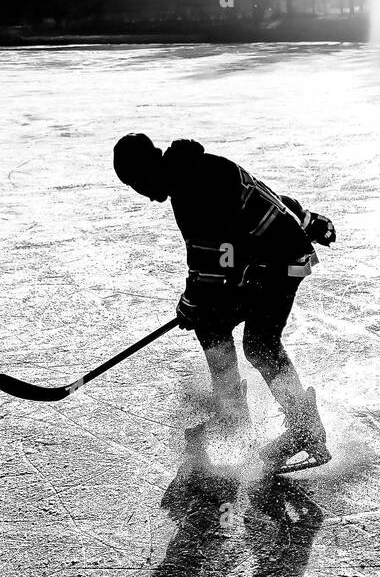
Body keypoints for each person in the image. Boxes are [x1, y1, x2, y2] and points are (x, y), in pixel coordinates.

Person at [112, 133, 336, 473]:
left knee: (258, 343)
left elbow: (211, 264)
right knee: (214, 323)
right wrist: (306, 219)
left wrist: (189, 304)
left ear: (146, 170)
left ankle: (299, 427)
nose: (140, 192)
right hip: (273, 260)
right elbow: (266, 197)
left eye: (135, 183)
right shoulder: (199, 166)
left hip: (282, 263)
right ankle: (235, 415)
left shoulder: (190, 189)